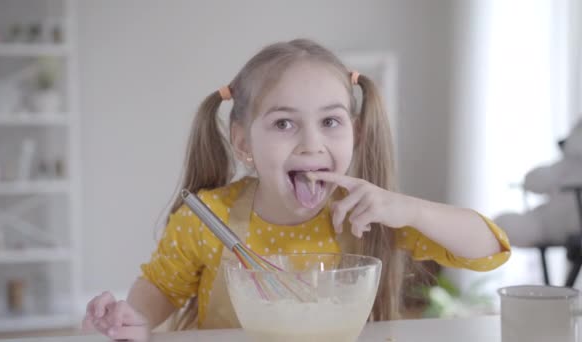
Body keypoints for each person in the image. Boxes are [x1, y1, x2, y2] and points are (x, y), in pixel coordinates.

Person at [82, 38, 511, 341]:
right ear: (243, 142)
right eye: (284, 123)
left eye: (330, 121)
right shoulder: (206, 219)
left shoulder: (369, 213)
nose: (311, 143)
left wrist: (412, 210)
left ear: (355, 133)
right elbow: (159, 288)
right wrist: (133, 320)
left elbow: (488, 249)